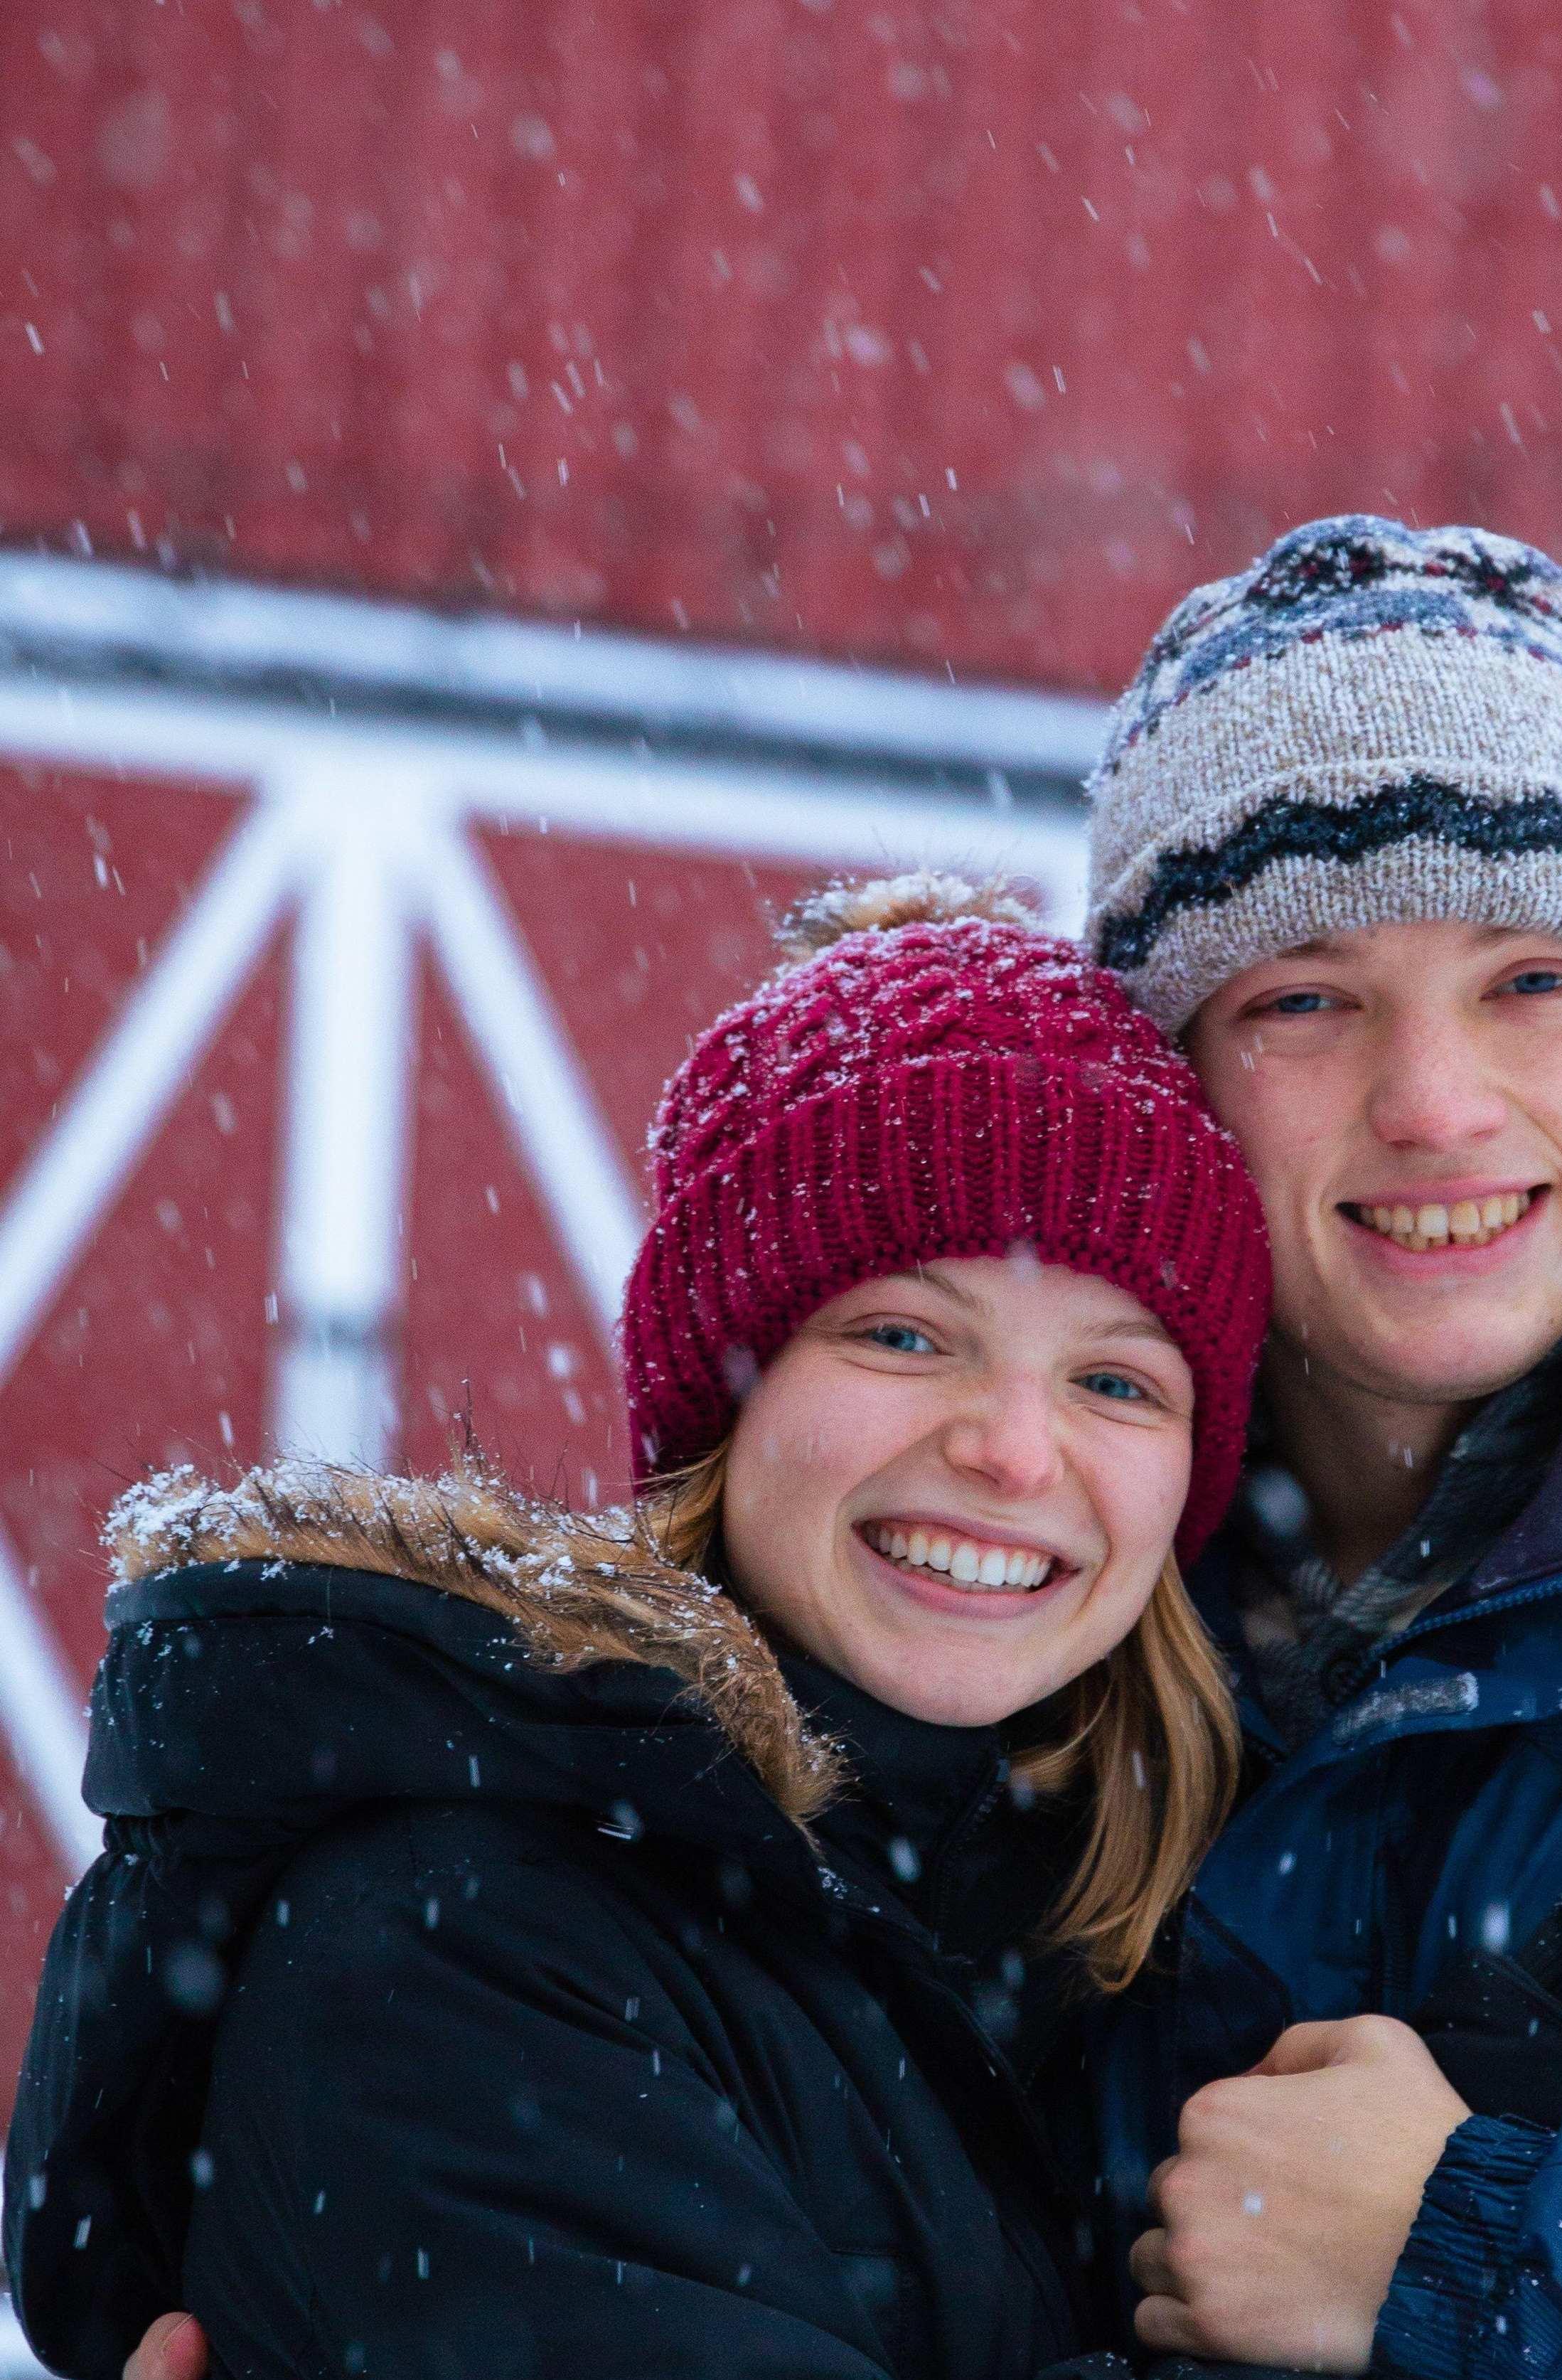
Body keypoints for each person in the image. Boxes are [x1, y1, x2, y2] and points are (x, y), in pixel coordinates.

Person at [109, 513, 1562, 2380]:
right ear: (1178, 1075)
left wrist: (1492, 2254)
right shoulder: (1018, 1629)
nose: (1434, 1102)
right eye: (1306, 999)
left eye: (1532, 979)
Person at [5, 878, 1275, 2379]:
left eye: (1117, 1381)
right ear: (722, 1401)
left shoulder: (1088, 1949)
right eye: (903, 1335)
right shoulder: (462, 1927)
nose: (1013, 1450)